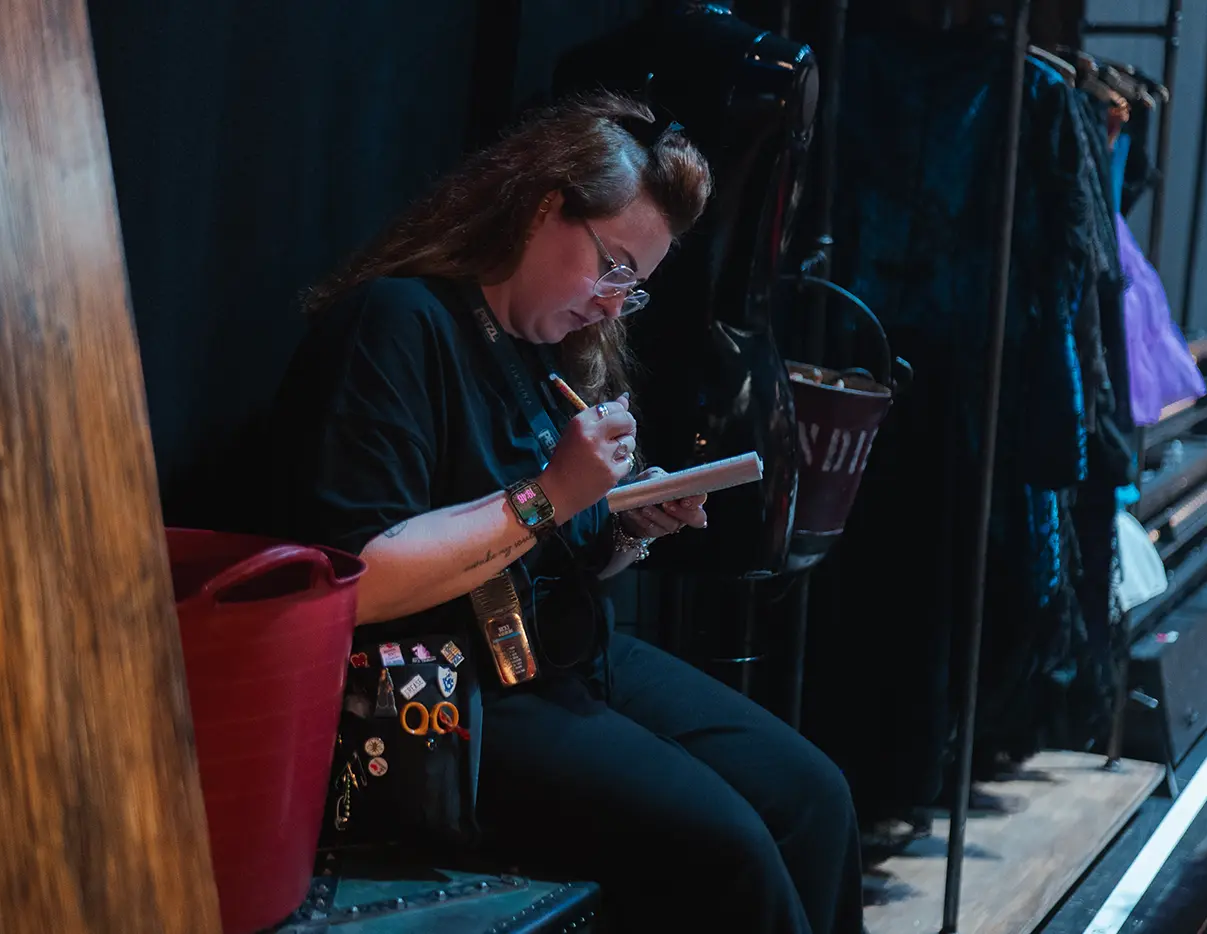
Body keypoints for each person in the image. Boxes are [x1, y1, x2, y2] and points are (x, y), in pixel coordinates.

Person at [265, 92, 864, 934]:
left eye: (637, 288)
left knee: (814, 797)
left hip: (560, 659)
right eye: (614, 266)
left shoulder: (545, 356)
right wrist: (553, 493)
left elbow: (550, 549)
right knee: (728, 849)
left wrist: (622, 527)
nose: (615, 303)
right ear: (546, 207)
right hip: (448, 693)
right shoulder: (398, 323)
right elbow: (359, 581)